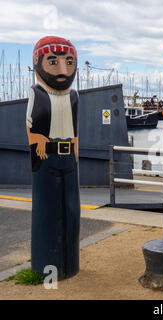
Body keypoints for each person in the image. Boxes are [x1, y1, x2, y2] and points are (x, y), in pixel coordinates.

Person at [26, 36, 80, 278]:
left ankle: (70, 265)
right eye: (53, 61)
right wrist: (37, 144)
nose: (63, 70)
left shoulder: (74, 96)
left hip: (69, 158)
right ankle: (48, 268)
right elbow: (31, 127)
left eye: (69, 62)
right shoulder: (37, 93)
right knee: (47, 212)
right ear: (38, 63)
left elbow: (75, 131)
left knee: (71, 211)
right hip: (46, 158)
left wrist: (76, 156)